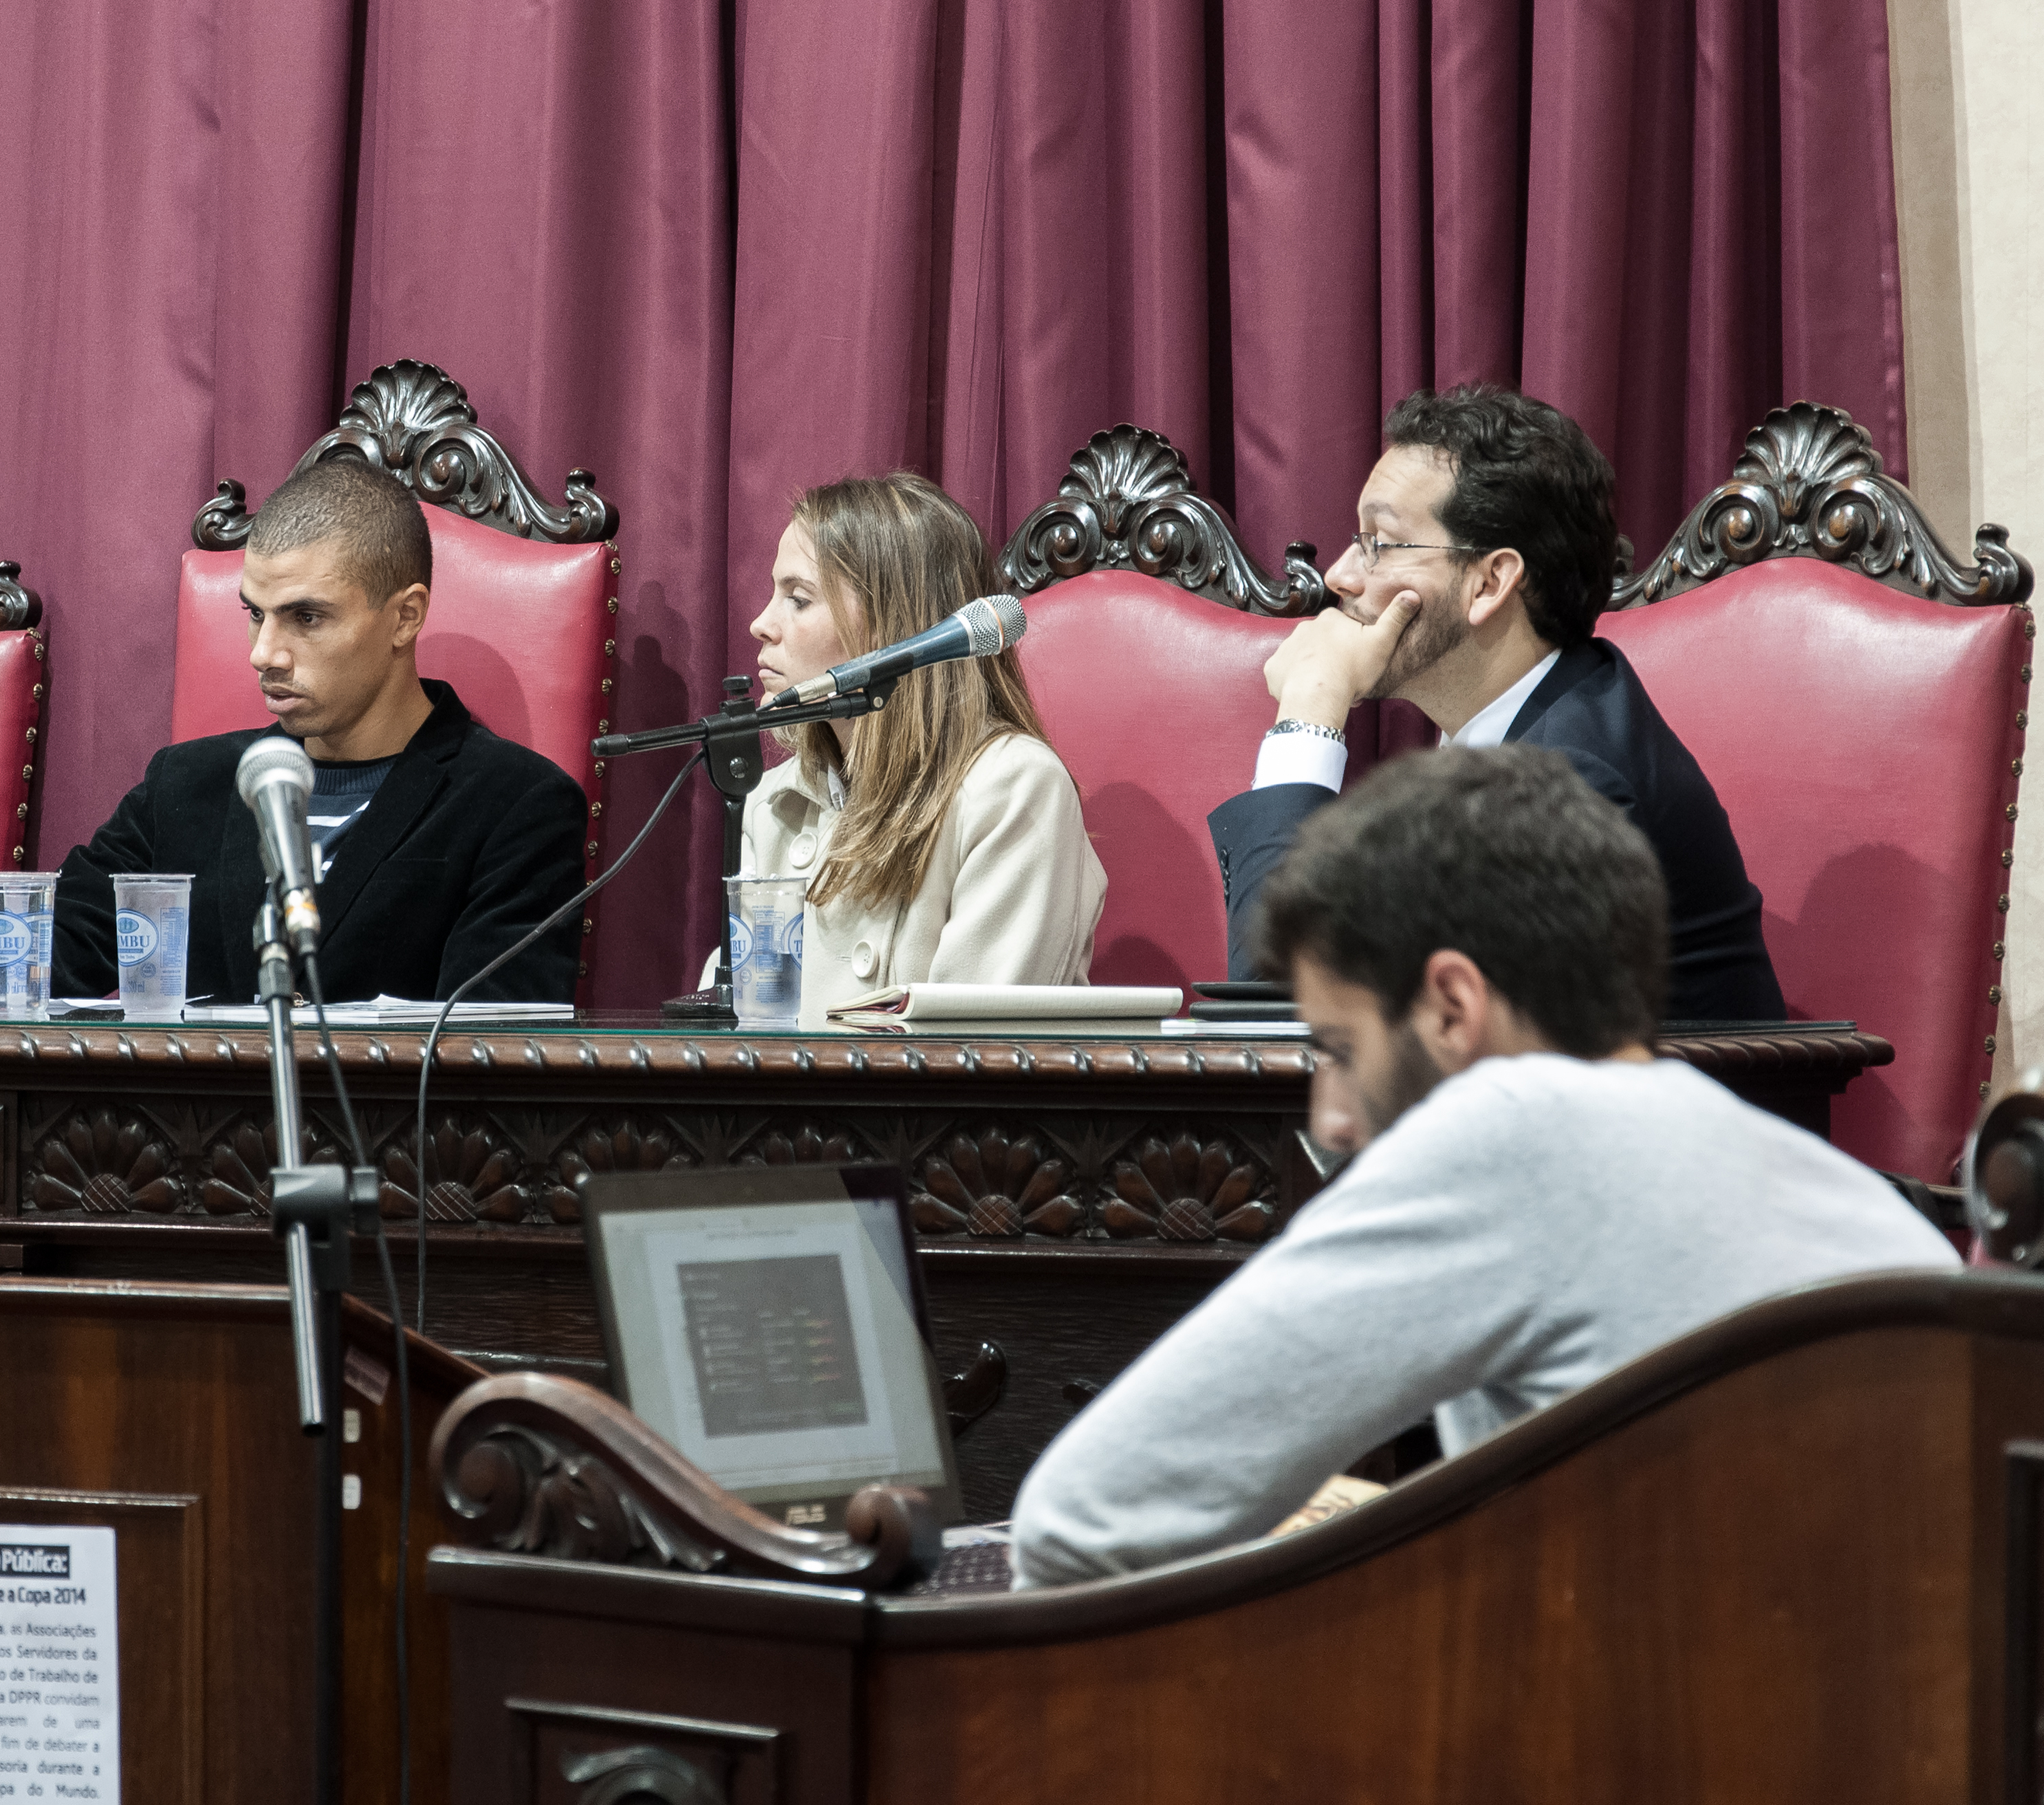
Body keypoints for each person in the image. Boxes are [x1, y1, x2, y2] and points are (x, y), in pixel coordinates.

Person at [1010, 747, 1955, 1588]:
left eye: (1339, 1049)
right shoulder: (1847, 1196)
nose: (1328, 1119)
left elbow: (1080, 1520)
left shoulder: (1512, 1127)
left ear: (1452, 1007)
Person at [0, 455, 587, 1003]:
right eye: (256, 615)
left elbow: (491, 1060)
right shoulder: (189, 786)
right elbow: (49, 949)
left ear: (405, 616)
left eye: (306, 618)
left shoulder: (515, 807)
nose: (265, 654)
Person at [1208, 384, 1783, 1022]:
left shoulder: (1572, 776)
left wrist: (1309, 714)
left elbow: (1290, 1012)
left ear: (1489, 582)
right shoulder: (1522, 730)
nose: (1339, 575)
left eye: (1380, 542)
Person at [728, 473, 1105, 1021]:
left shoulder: (1015, 789)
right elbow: (732, 1029)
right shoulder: (770, 803)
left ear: (891, 627)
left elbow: (972, 1054)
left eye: (799, 599)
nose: (760, 624)